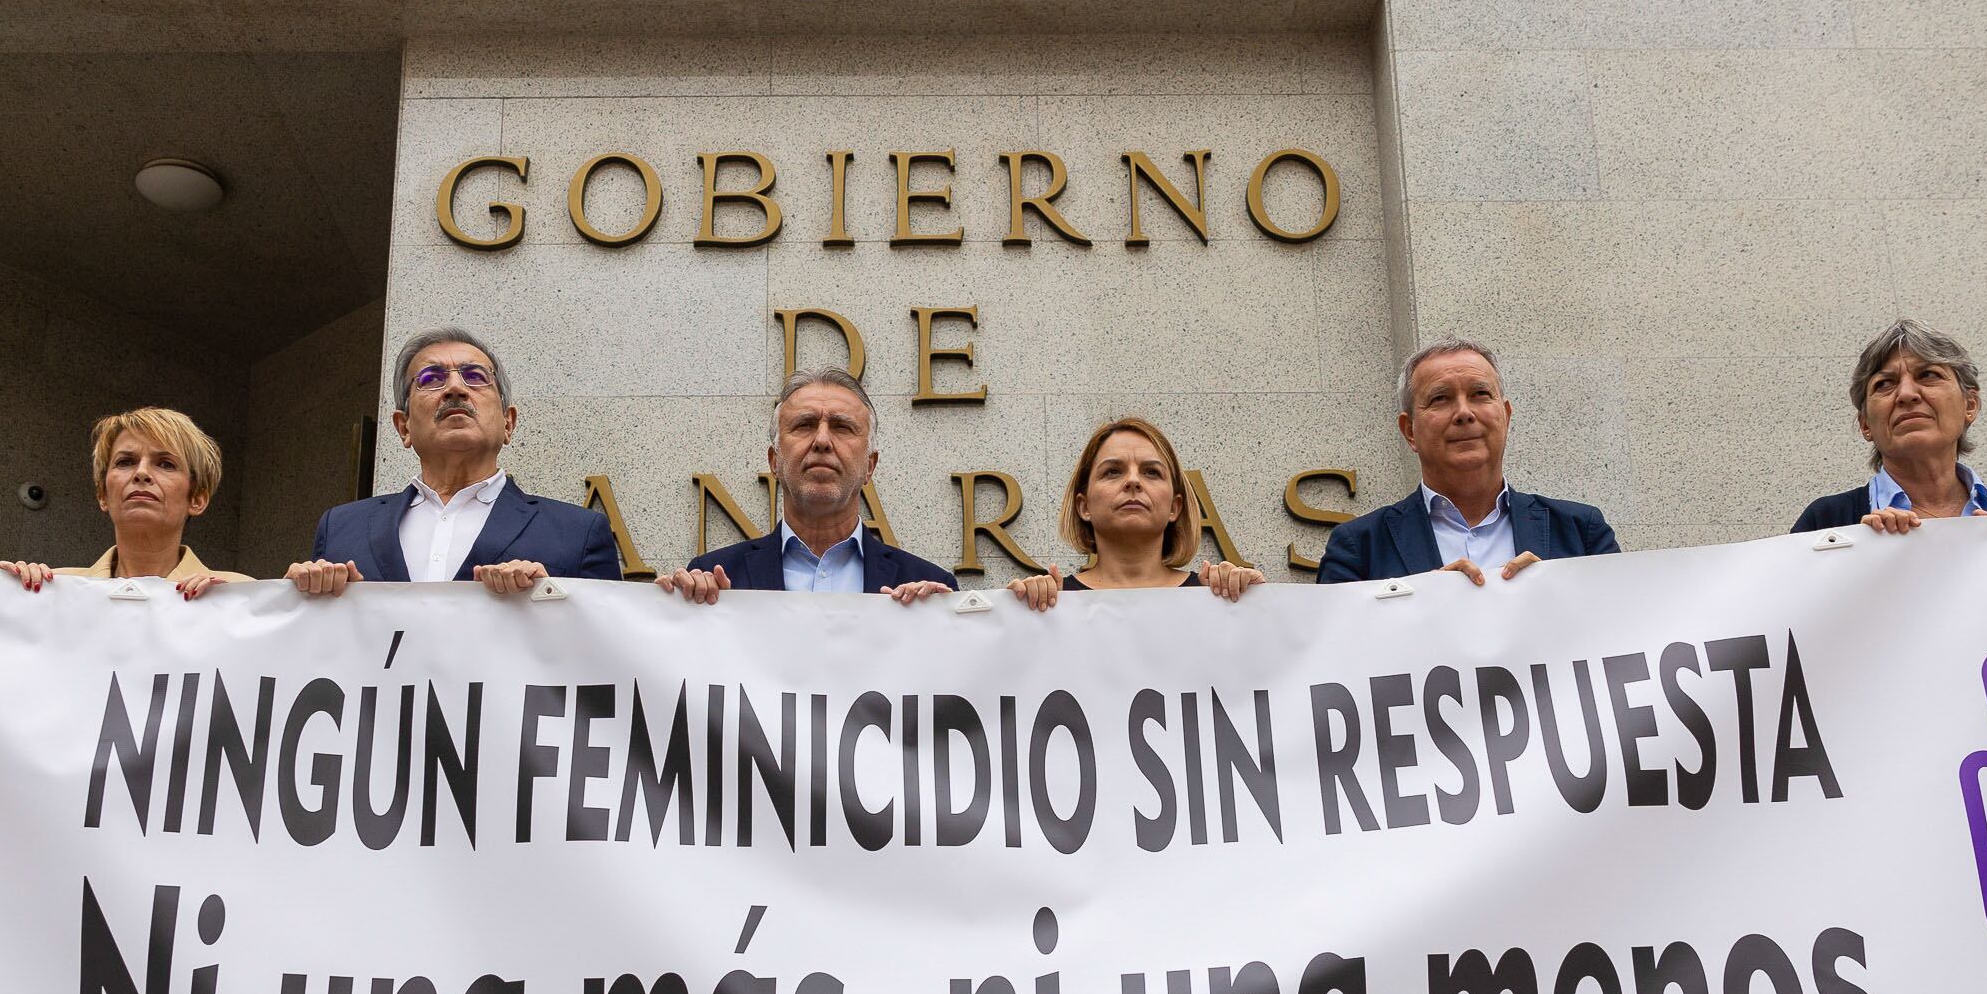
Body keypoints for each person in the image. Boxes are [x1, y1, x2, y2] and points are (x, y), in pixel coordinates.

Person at [288, 329, 616, 599]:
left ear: (508, 423)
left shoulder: (578, 533)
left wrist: (553, 599)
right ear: (404, 428)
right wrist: (296, 599)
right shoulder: (342, 529)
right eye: (431, 379)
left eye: (475, 377)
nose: (455, 388)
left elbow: (608, 648)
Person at [1315, 339, 1618, 585]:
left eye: (1480, 394)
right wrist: (1418, 608)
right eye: (1440, 399)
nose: (1464, 413)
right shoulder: (1358, 548)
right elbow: (1329, 652)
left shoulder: (1582, 532)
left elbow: (1625, 630)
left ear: (1506, 416)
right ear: (1410, 431)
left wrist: (1557, 592)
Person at [656, 368, 957, 603]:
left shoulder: (927, 588)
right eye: (804, 425)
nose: (822, 441)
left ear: (870, 466)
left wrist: (937, 628)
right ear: (774, 461)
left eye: (842, 427)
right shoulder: (716, 577)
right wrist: (671, 613)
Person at [1790, 320, 1987, 535]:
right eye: (1884, 384)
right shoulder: (1826, 522)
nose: (1906, 394)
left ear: (1969, 405)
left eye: (1928, 375)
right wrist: (1858, 556)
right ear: (1865, 424)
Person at [1007, 416, 1263, 608]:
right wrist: (1018, 612)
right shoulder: (1054, 602)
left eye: (1152, 472)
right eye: (1113, 471)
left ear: (1175, 507)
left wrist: (1260, 604)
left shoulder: (1215, 596)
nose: (1133, 481)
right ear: (1083, 507)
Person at [0, 407, 250, 597]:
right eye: (125, 462)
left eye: (165, 464)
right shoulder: (51, 590)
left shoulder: (242, 595)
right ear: (103, 494)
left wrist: (288, 602)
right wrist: (9, 595)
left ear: (197, 498)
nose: (141, 473)